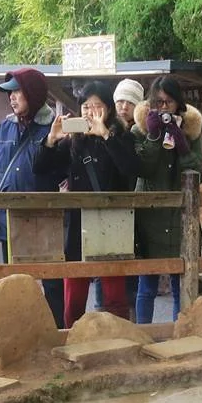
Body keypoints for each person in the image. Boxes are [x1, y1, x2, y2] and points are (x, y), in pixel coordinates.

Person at [34, 81, 138, 327]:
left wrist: (105, 135)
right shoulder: (73, 142)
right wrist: (51, 140)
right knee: (74, 297)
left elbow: (131, 169)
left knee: (114, 297)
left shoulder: (121, 136)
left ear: (108, 109)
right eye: (86, 107)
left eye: (97, 106)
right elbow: (40, 169)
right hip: (78, 224)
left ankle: (118, 341)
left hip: (111, 223)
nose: (91, 112)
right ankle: (74, 340)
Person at [0, 67, 62, 325]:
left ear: (33, 92)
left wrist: (51, 144)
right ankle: (18, 335)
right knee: (12, 283)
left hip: (44, 219)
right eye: (10, 93)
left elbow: (63, 170)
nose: (12, 97)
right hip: (8, 219)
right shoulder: (3, 128)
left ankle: (55, 334)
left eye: (17, 91)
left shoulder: (55, 127)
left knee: (52, 283)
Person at [131, 76, 202, 324]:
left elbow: (199, 174)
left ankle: (179, 334)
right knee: (147, 284)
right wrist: (153, 137)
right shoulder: (138, 129)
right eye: (158, 102)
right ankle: (143, 334)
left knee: (180, 284)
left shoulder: (192, 131)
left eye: (169, 102)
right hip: (148, 216)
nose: (163, 108)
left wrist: (182, 146)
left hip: (181, 217)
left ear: (178, 104)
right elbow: (142, 168)